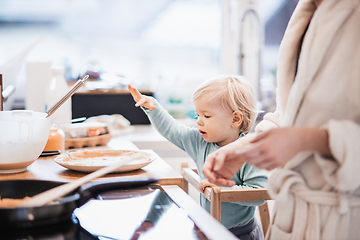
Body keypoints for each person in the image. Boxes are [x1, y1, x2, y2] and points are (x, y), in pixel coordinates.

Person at [202, 0, 360, 239]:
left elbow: (300, 132)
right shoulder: (307, 11)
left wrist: (305, 140)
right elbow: (289, 115)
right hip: (293, 218)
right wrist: (244, 148)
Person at [128, 75, 268, 239]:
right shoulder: (199, 141)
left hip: (241, 234)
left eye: (207, 116)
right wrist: (154, 108)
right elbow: (173, 130)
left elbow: (259, 194)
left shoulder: (250, 152)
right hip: (208, 229)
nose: (199, 122)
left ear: (235, 119)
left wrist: (219, 189)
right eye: (197, 115)